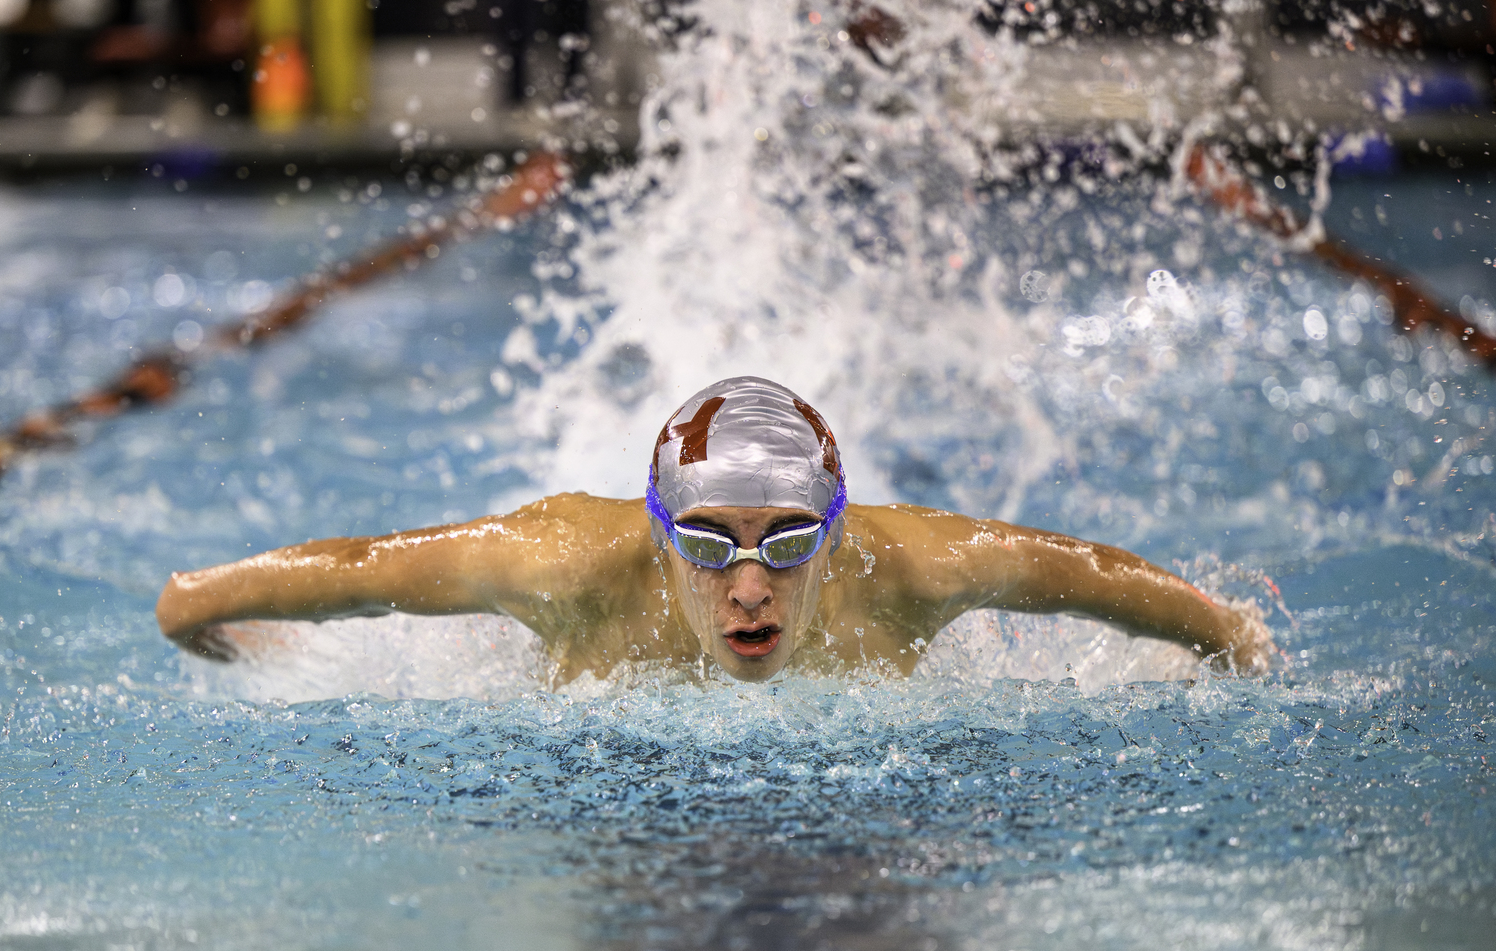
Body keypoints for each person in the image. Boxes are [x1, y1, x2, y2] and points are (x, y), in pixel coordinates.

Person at [156, 376, 1274, 683]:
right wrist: (200, 611)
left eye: (789, 541)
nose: (751, 587)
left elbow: (1081, 576)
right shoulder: (566, 563)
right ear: (657, 533)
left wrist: (1228, 635)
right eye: (709, 543)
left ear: (838, 532)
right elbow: (361, 571)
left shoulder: (914, 565)